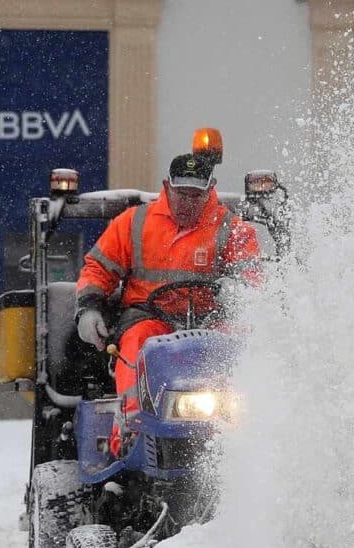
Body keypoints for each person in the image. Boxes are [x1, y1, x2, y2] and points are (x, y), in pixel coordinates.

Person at [75, 152, 262, 455]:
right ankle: (132, 425)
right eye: (181, 194)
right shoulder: (134, 222)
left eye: (196, 195)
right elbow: (98, 268)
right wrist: (90, 308)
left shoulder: (231, 229)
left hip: (208, 323)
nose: (188, 202)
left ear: (210, 189)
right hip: (150, 318)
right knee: (136, 341)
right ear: (167, 186)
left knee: (240, 341)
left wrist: (238, 288)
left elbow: (253, 277)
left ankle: (244, 425)